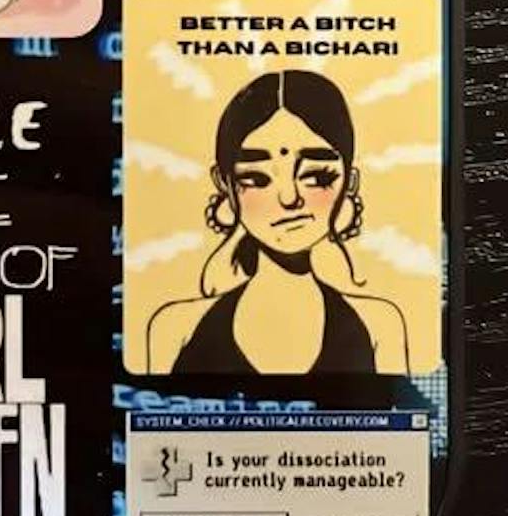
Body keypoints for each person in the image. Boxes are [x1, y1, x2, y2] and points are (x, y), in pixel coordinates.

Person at [146, 69, 409, 375]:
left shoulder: (380, 324)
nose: (289, 197)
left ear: (349, 181)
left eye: (317, 177)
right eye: (256, 178)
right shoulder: (174, 327)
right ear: (224, 184)